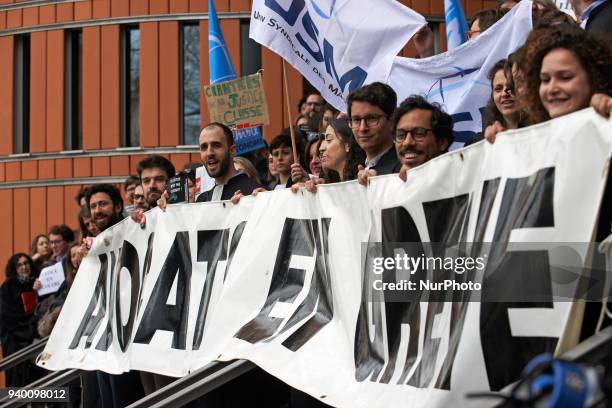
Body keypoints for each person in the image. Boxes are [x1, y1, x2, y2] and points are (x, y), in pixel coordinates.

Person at [357, 95, 454, 186]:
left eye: (419, 133)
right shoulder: (385, 183)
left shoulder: (463, 178)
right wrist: (377, 188)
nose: (407, 142)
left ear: (442, 142)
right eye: (401, 135)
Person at [188, 123, 262, 203]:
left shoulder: (257, 194)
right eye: (204, 147)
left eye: (216, 145)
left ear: (232, 150)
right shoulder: (202, 200)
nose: (209, 153)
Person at [0, 254, 41, 386]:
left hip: (33, 335)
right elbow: (7, 315)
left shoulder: (37, 283)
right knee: (17, 378)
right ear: (14, 269)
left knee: (37, 379)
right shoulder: (7, 287)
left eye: (26, 263)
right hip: (15, 338)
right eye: (20, 265)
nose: (24, 267)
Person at [347, 82, 400, 176]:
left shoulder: (404, 170)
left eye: (371, 118)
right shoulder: (356, 171)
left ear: (392, 120)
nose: (362, 128)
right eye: (356, 120)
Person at [466, 59, 520, 145]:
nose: (504, 94)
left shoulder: (540, 128)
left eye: (511, 86)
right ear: (492, 96)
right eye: (498, 89)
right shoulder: (477, 142)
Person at [319, 118, 366, 182]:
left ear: (348, 145)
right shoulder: (327, 184)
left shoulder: (364, 179)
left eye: (329, 140)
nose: (321, 148)